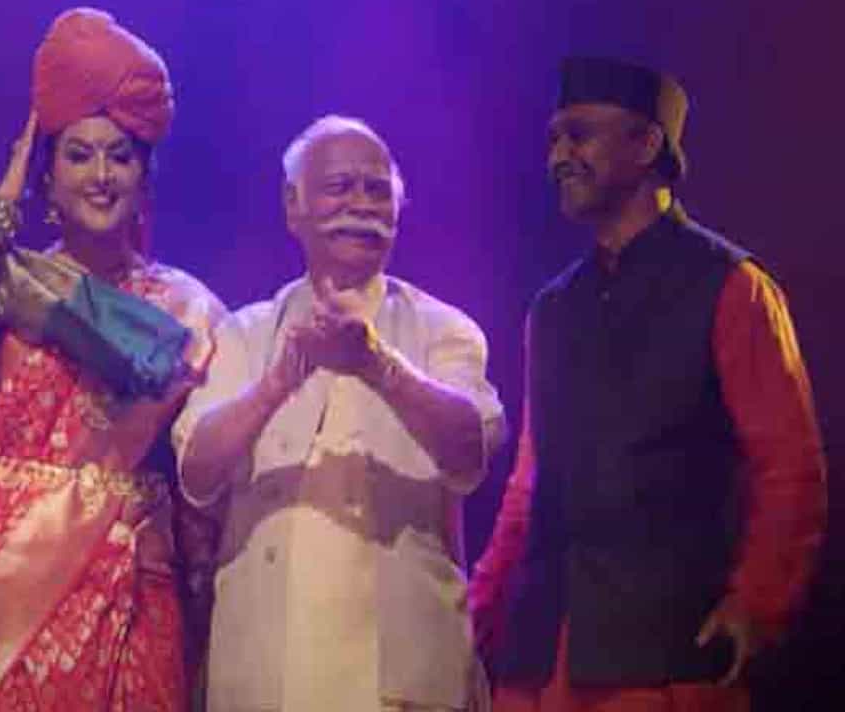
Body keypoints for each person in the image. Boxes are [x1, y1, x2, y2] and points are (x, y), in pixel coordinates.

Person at [470, 57, 828, 711]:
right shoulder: (553, 308)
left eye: (579, 135)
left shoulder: (730, 285)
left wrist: (757, 603)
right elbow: (529, 483)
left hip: (663, 653)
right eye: (554, 139)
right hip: (541, 656)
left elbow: (790, 469)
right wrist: (481, 607)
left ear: (646, 144)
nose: (558, 156)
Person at [0, 8, 227, 712]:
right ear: (48, 176)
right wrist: (5, 192)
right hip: (4, 593)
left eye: (120, 157)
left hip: (134, 586)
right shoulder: (8, 284)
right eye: (79, 155)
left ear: (144, 177)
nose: (101, 175)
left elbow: (206, 478)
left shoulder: (188, 308)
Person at [175, 114, 506, 711]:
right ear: (292, 206)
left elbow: (469, 455)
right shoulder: (246, 333)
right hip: (267, 670)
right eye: (339, 187)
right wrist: (277, 382)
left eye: (377, 190)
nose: (361, 204)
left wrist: (377, 365)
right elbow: (197, 476)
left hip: (402, 675)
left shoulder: (444, 330)